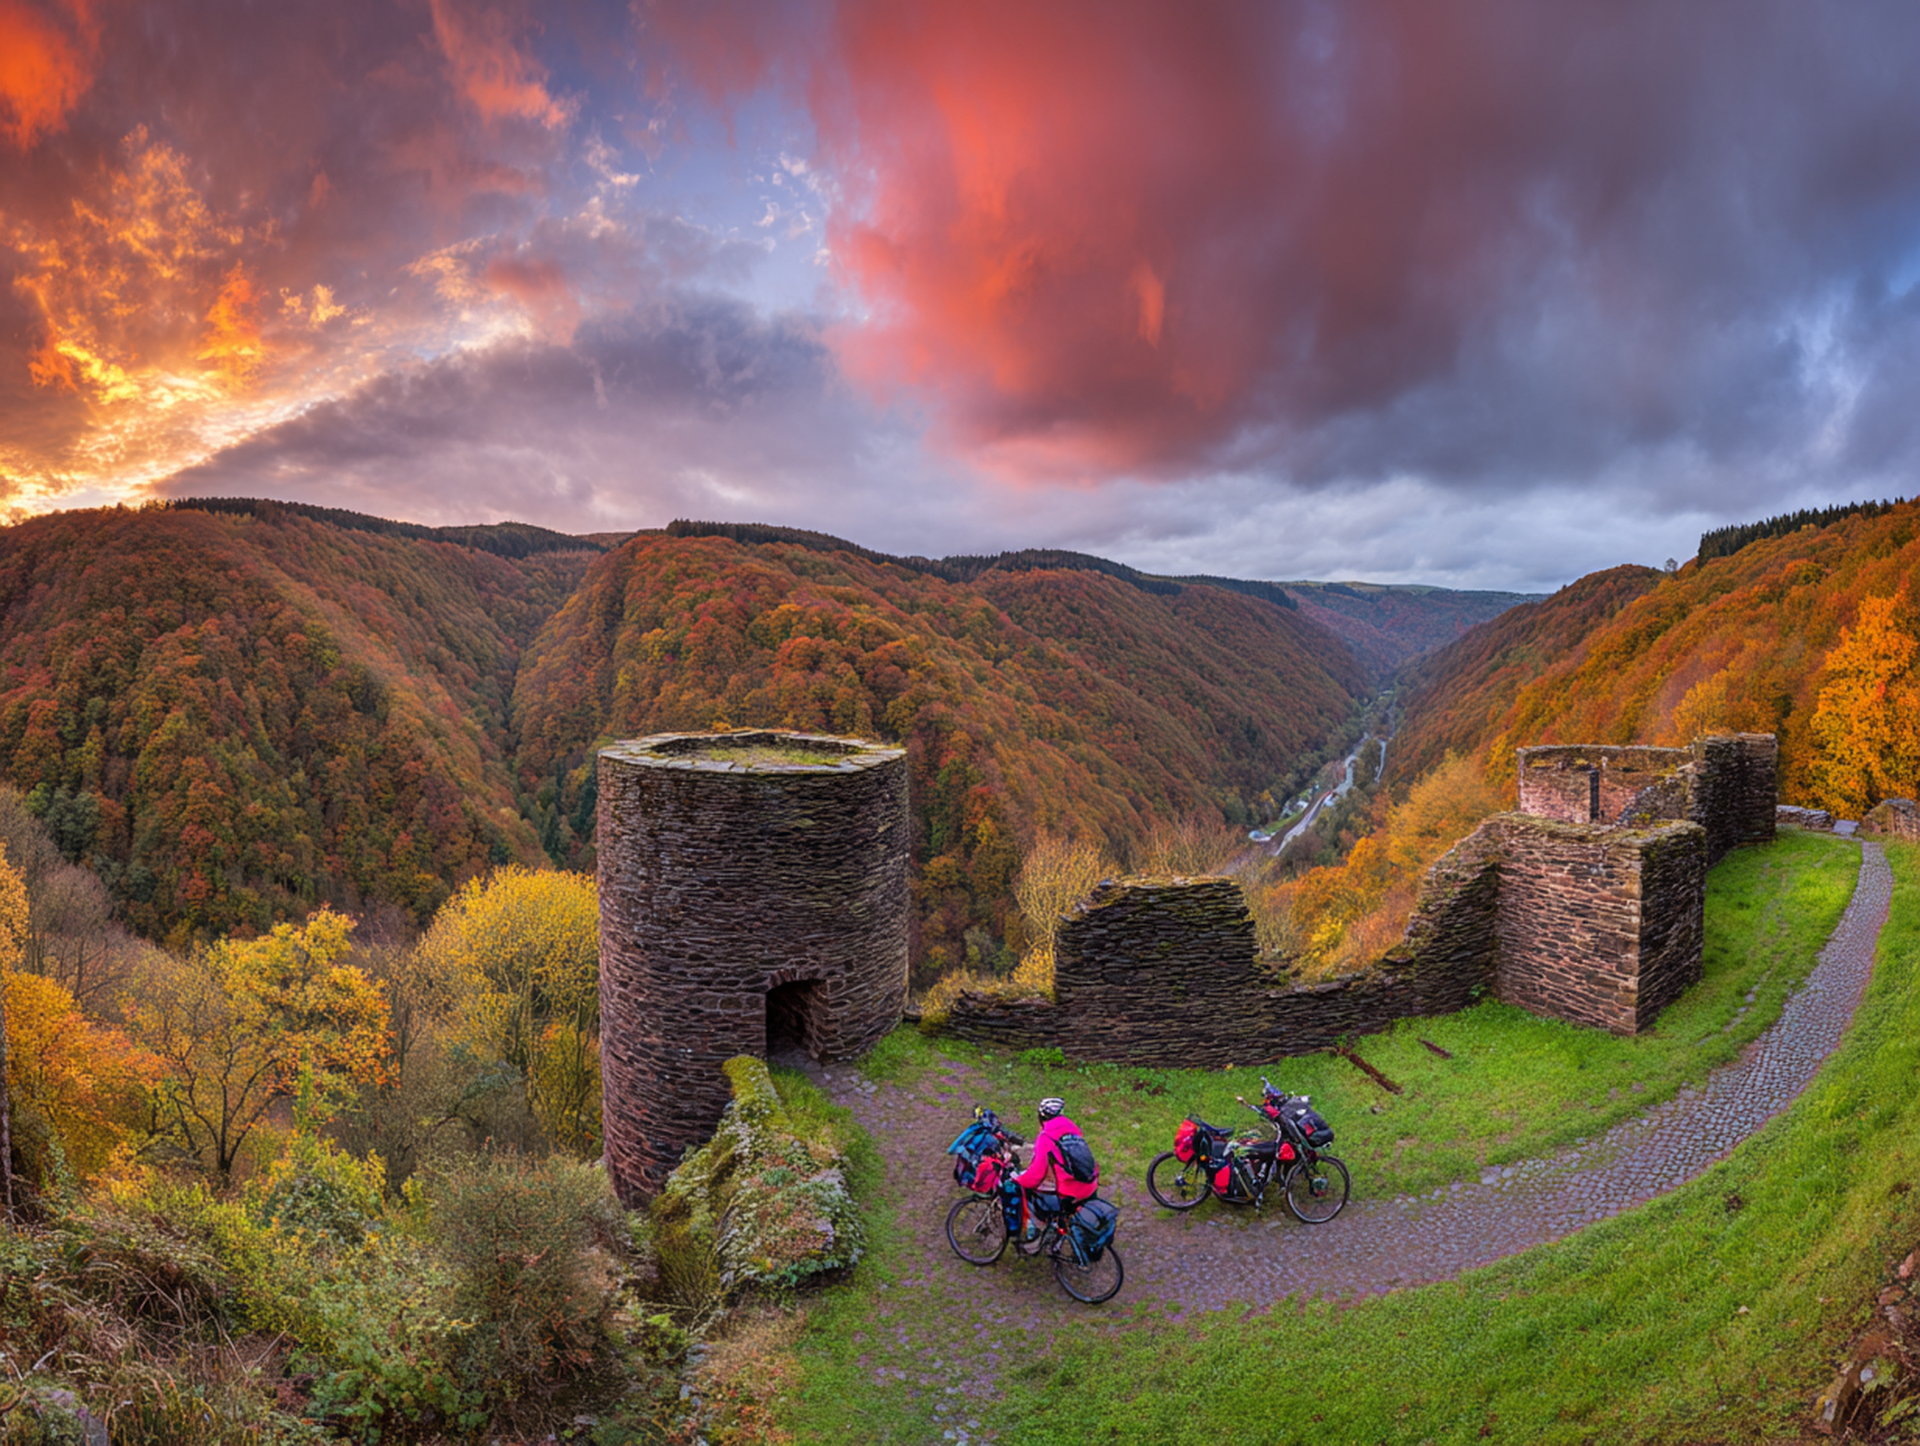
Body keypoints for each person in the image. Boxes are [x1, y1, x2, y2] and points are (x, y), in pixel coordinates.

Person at [1012, 1097, 1098, 1240]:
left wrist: (1019, 1180)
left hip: (1070, 1191)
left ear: (1041, 1117)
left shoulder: (1046, 1137)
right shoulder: (1073, 1128)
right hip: (1091, 1184)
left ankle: (1034, 1231)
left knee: (1024, 1191)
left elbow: (1035, 1176)